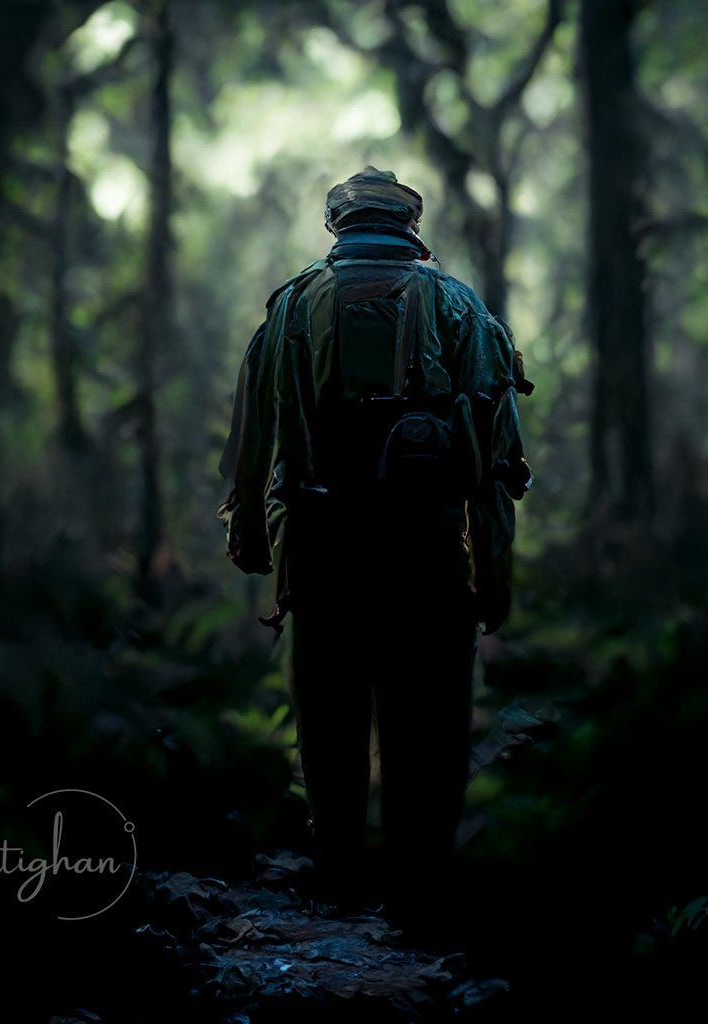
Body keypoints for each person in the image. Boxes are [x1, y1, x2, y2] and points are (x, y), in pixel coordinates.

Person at [218, 167, 532, 936]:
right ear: (410, 222)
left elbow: (251, 444)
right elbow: (499, 465)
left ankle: (337, 880)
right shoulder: (461, 308)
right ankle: (418, 888)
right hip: (430, 556)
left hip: (321, 552)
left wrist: (252, 541)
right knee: (429, 714)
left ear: (337, 223)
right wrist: (493, 579)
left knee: (328, 714)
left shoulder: (290, 306)